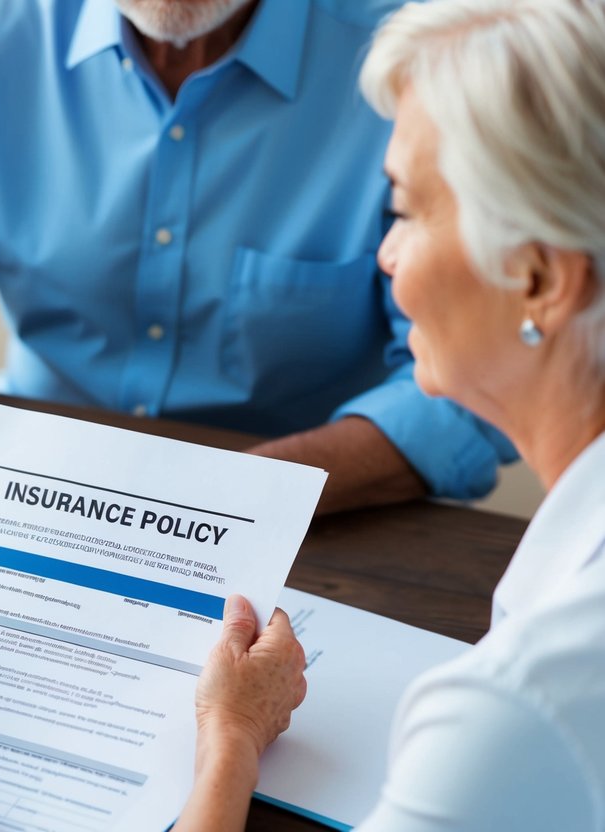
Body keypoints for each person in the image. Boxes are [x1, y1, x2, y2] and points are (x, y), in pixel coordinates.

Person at [0, 0, 519, 563]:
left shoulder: (412, 57)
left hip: (318, 524)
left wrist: (224, 499)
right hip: (24, 495)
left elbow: (483, 373)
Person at [175, 0, 605, 827]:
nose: (384, 253)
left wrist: (227, 737)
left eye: (405, 210)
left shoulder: (517, 710)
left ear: (542, 282)